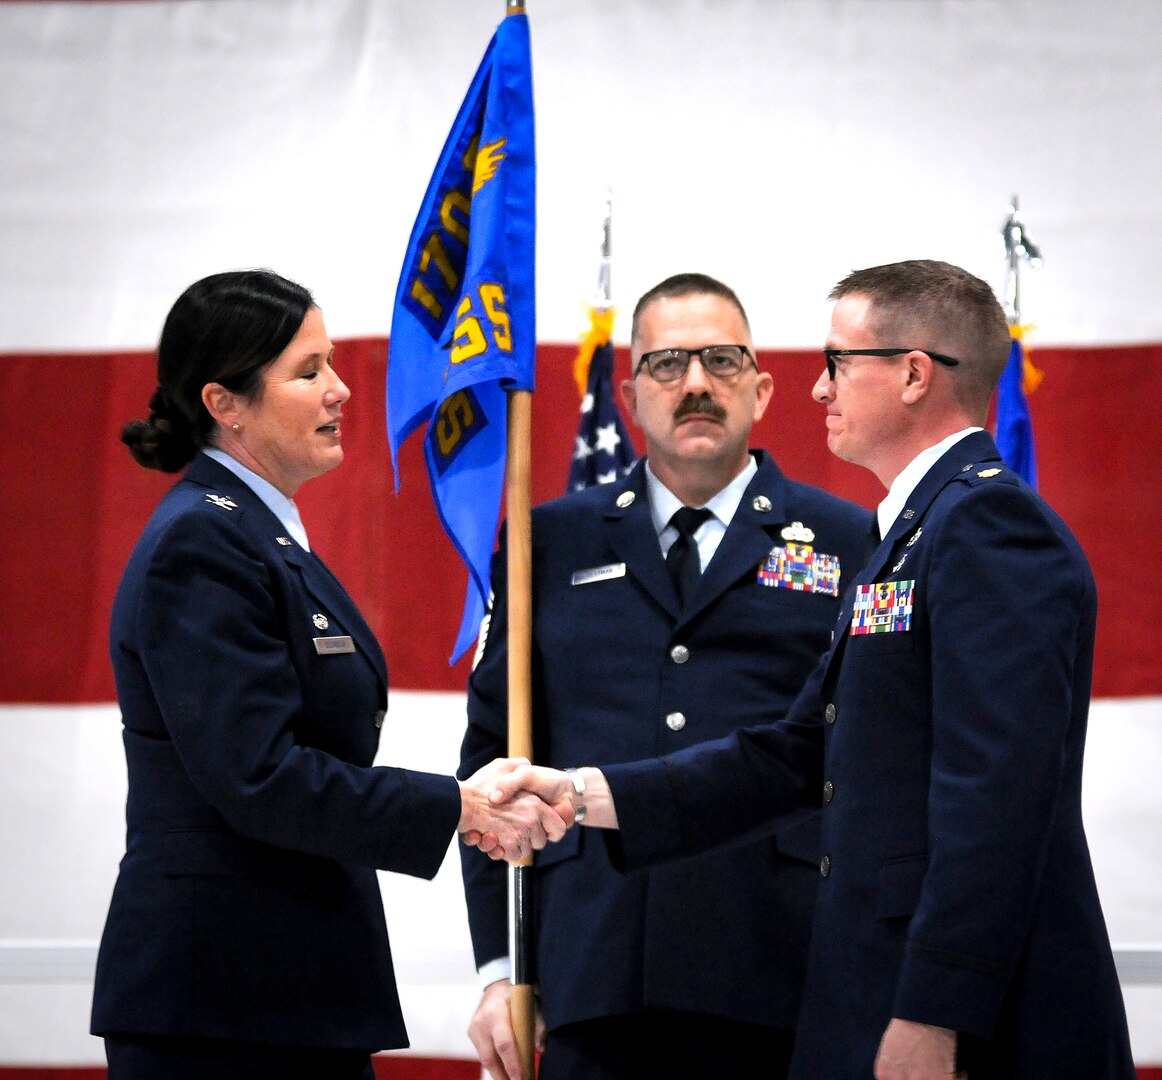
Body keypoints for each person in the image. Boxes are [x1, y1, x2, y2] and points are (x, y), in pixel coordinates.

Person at [498, 260, 1137, 1079]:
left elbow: (997, 798)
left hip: (963, 1018)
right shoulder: (912, 534)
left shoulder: (987, 526)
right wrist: (586, 794)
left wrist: (935, 1011)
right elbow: (805, 751)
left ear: (912, 374)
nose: (817, 388)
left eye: (839, 361)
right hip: (869, 991)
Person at [89, 268, 567, 1080]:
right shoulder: (200, 546)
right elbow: (257, 776)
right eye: (308, 372)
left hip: (284, 987)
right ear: (224, 402)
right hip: (223, 1004)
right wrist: (456, 805)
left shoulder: (257, 536)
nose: (342, 390)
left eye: (332, 365)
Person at [458, 272, 873, 1080]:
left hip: (785, 970)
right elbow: (490, 770)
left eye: (721, 361)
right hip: (593, 969)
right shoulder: (548, 543)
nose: (695, 384)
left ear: (761, 387)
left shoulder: (849, 541)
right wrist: (500, 968)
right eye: (667, 363)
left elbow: (871, 761)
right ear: (628, 391)